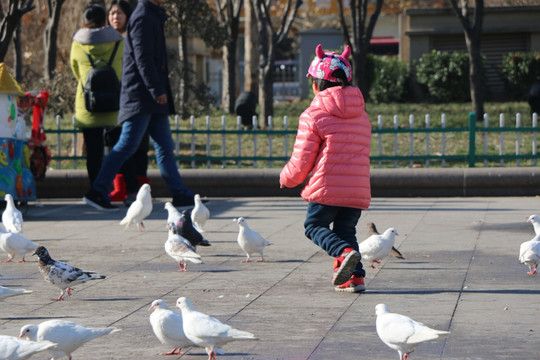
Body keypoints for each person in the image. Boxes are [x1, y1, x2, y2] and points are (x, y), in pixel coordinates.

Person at [83, 0, 194, 212]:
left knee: (164, 148)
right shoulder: (143, 17)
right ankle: (97, 191)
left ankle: (180, 194)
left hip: (149, 98)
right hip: (142, 97)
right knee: (127, 145)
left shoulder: (149, 15)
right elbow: (143, 58)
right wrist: (156, 89)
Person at [279, 44, 372, 293]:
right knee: (345, 230)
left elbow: (302, 160)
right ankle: (354, 278)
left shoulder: (314, 114)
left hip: (327, 186)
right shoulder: (361, 115)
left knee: (314, 227)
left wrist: (286, 178)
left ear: (317, 84)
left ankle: (344, 253)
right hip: (356, 189)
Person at [70, 4, 124, 187]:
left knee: (93, 152)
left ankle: (97, 190)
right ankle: (122, 188)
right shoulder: (119, 43)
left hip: (88, 106)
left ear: (85, 23)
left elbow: (76, 71)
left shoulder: (77, 45)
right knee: (119, 149)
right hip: (115, 105)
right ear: (105, 21)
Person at [106, 0, 151, 205]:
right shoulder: (105, 41)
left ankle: (140, 191)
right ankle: (123, 188)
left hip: (134, 98)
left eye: (120, 13)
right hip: (113, 100)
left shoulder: (133, 37)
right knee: (118, 141)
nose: (116, 17)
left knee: (139, 145)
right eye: (113, 13)